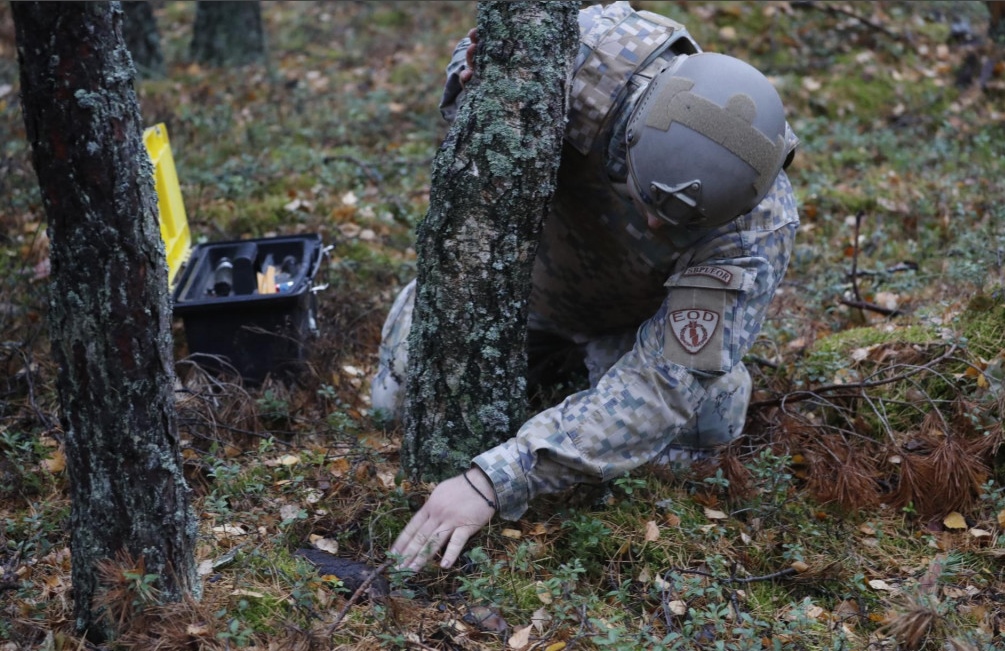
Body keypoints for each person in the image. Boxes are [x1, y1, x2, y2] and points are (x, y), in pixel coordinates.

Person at [373, 1, 800, 571]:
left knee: (701, 424)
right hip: (515, 293)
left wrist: (496, 479)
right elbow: (463, 131)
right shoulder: (583, 59)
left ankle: (582, 381)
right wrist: (472, 82)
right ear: (629, 139)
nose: (654, 226)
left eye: (678, 223)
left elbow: (664, 386)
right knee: (392, 403)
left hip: (631, 320)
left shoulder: (754, 226)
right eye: (649, 200)